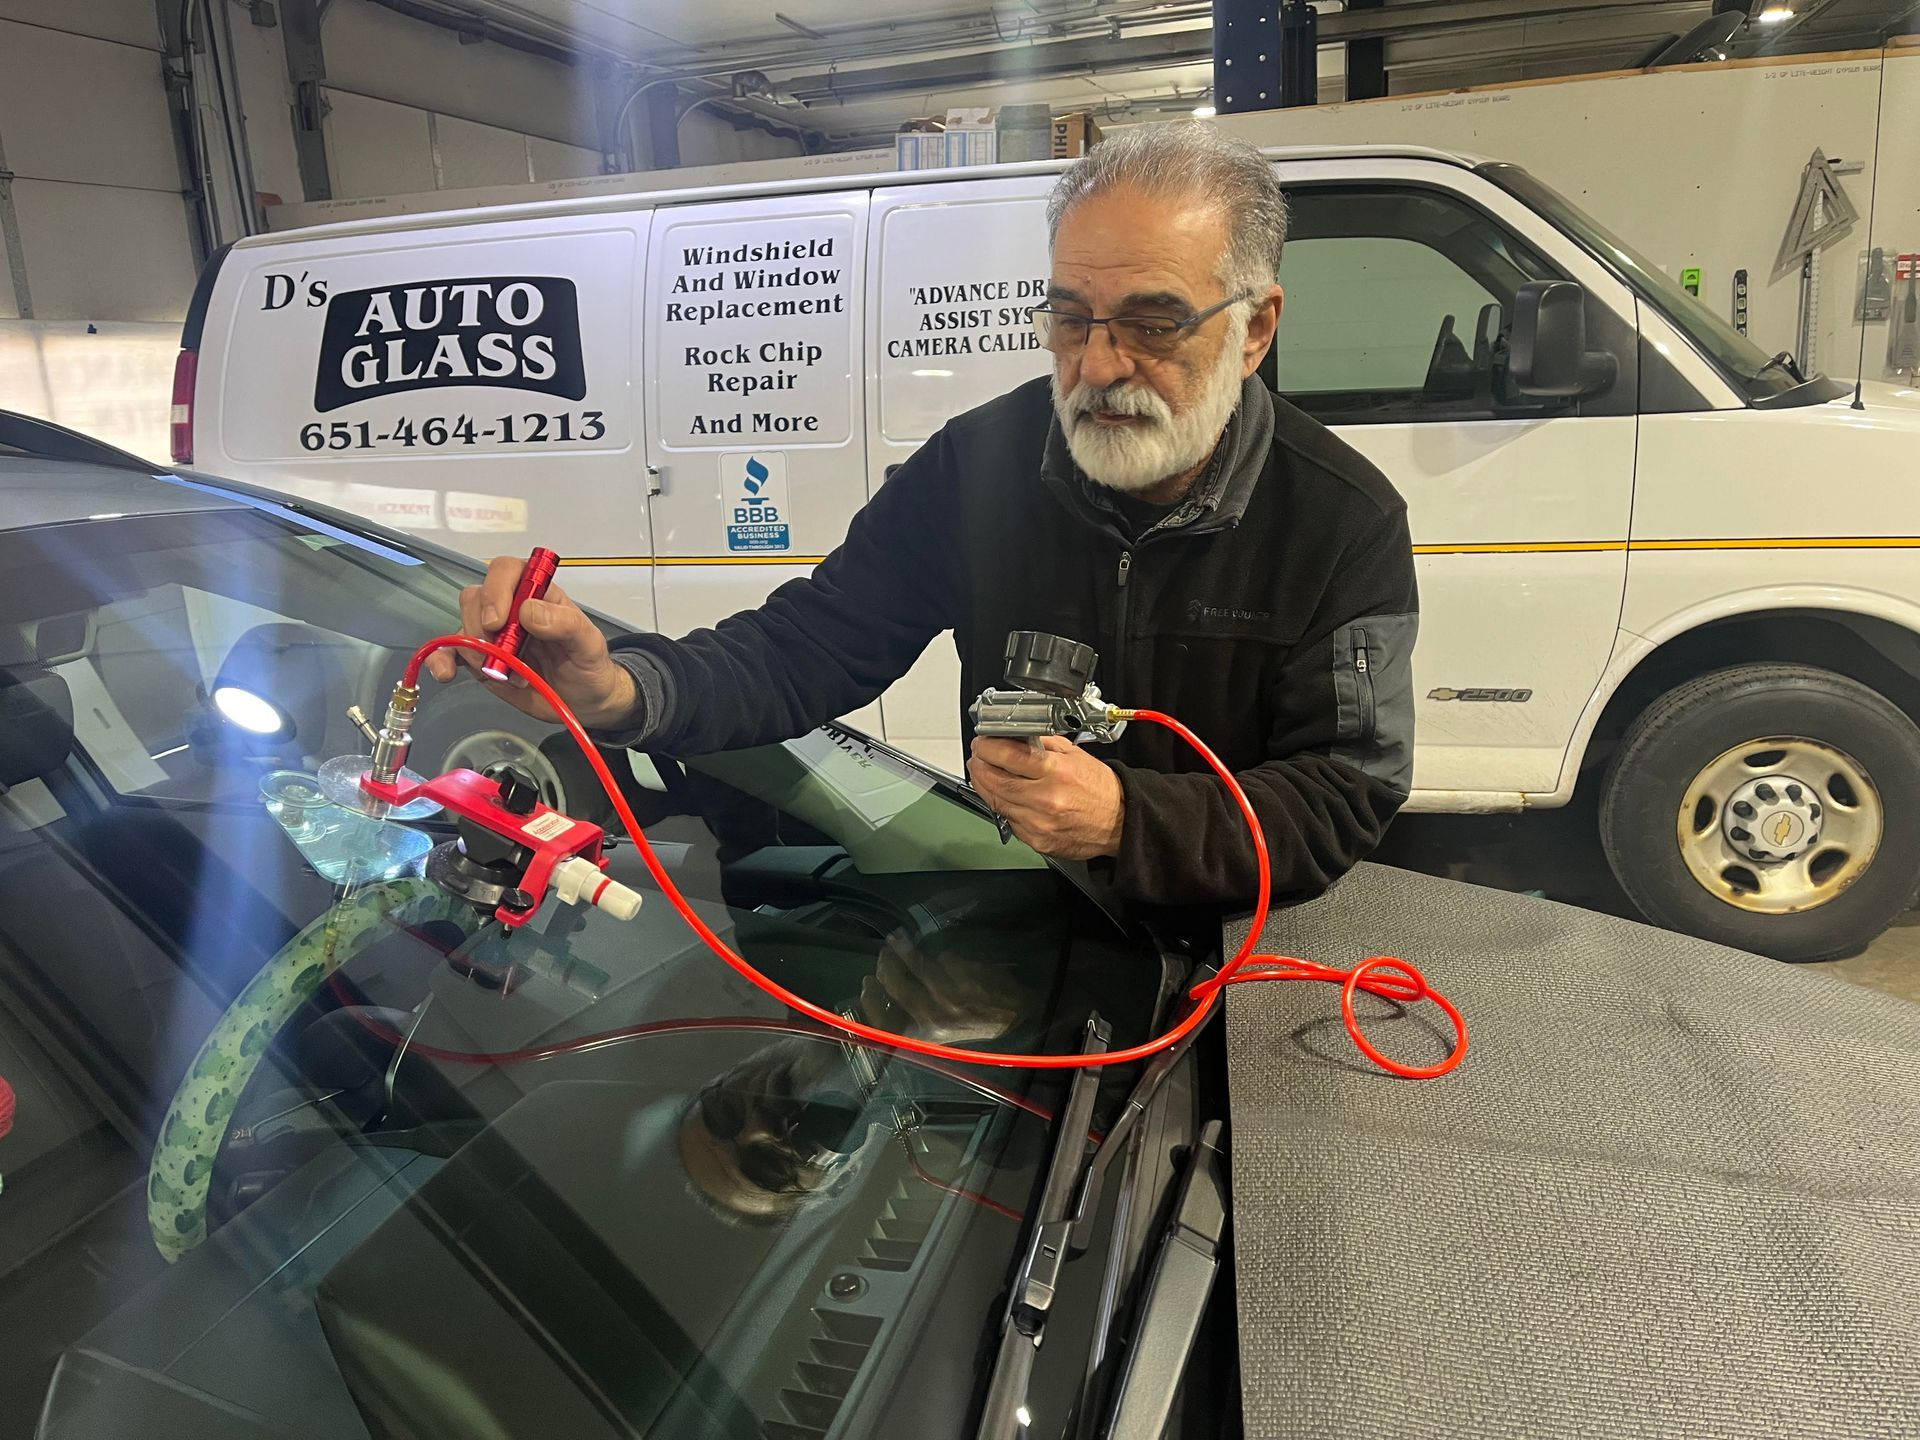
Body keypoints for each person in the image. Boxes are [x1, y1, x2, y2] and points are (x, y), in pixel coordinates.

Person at [429, 123, 1417, 908]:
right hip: (1029, 919)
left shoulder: (1343, 522)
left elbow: (1344, 793)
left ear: (1256, 329)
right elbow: (805, 650)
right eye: (1069, 317)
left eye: (1153, 325)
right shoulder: (977, 469)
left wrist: (1130, 820)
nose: (1098, 365)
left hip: (1236, 951)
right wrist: (618, 689)